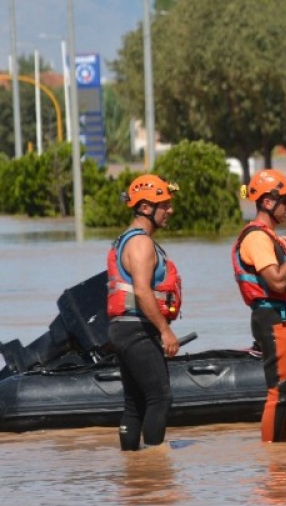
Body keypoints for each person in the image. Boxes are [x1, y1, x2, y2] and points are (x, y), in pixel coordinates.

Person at [232, 170, 286, 442]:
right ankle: (274, 458)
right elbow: (277, 282)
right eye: (285, 200)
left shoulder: (270, 236)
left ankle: (285, 453)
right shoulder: (257, 238)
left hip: (283, 316)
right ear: (267, 202)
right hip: (271, 317)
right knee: (280, 390)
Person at [107, 174, 182, 451]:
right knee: (160, 398)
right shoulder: (140, 243)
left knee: (135, 402)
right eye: (165, 205)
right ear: (147, 208)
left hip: (126, 328)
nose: (170, 210)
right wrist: (165, 330)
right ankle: (154, 467)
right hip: (137, 329)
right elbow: (141, 291)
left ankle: (133, 467)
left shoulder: (128, 240)